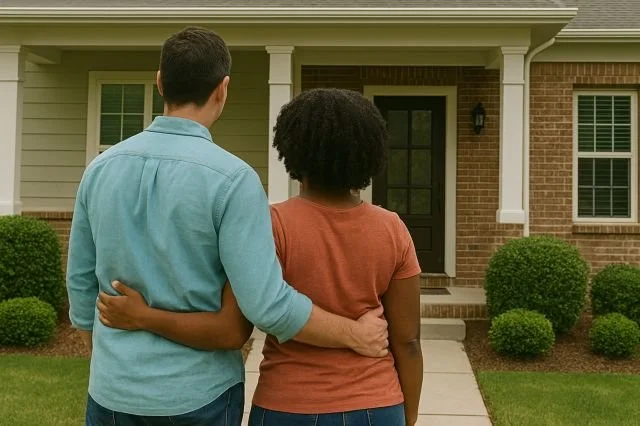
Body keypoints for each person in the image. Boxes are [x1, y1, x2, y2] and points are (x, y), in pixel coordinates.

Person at [66, 27, 389, 426]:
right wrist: (354, 334)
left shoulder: (99, 169)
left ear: (160, 82)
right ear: (223, 89)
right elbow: (266, 304)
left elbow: (80, 286)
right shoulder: (232, 180)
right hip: (198, 396)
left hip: (112, 394)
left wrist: (113, 366)